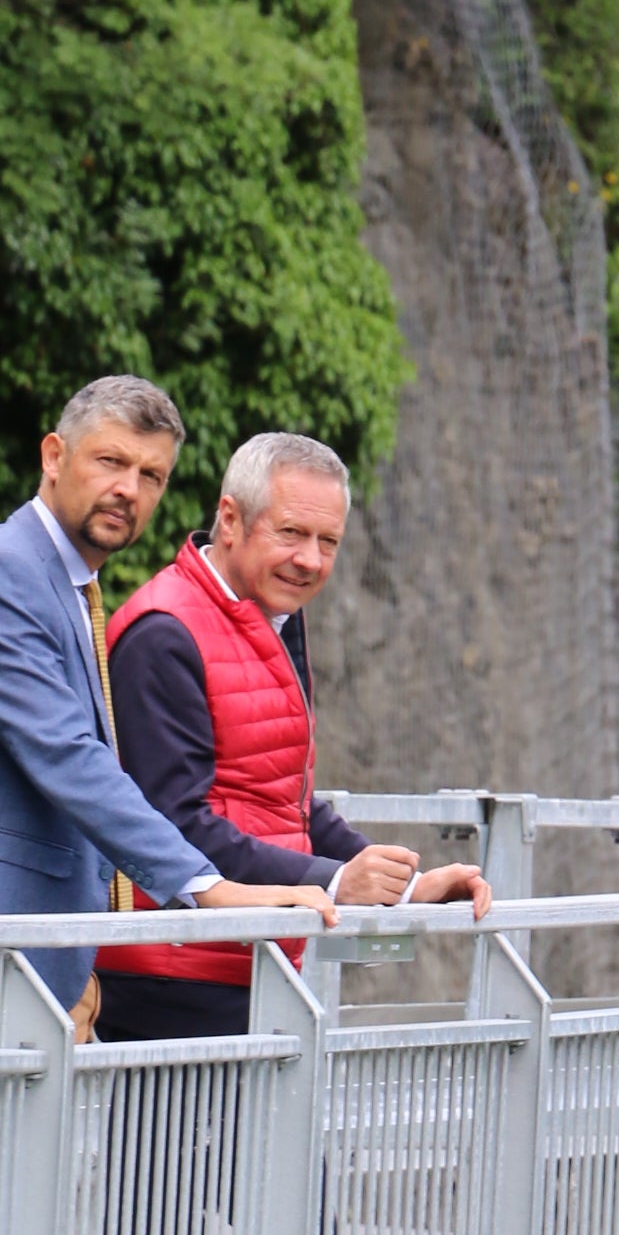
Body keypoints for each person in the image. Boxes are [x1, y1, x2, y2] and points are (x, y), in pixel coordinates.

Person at [0, 377, 334, 1045]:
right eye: (111, 462)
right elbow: (68, 757)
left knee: (38, 1153)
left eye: (151, 474)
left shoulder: (64, 581)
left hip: (46, 952)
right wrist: (208, 888)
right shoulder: (1, 576)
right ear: (53, 456)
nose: (130, 488)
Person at [95, 430, 489, 1041]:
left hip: (245, 959)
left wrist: (405, 887)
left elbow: (281, 799)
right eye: (291, 533)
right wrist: (334, 881)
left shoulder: (269, 615)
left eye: (327, 541)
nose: (310, 558)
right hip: (175, 972)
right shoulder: (164, 633)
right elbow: (171, 825)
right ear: (230, 519)